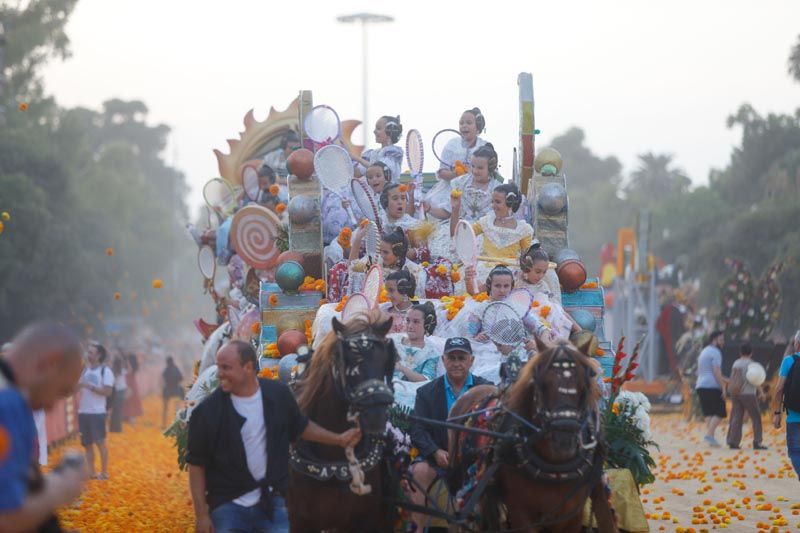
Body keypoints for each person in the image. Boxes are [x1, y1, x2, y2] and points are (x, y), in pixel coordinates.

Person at [187, 341, 362, 533]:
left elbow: (300, 427)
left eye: (226, 367)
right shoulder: (206, 413)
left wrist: (338, 439)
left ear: (248, 367)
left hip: (272, 505)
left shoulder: (277, 395)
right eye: (219, 366)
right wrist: (202, 515)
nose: (219, 373)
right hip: (227, 507)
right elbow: (196, 465)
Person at [0, 321, 87, 532]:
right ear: (49, 363)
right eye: (62, 391)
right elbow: (7, 519)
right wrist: (60, 487)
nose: (50, 407)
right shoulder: (9, 403)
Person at [408, 337, 490, 531]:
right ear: (443, 360)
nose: (456, 363)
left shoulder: (486, 390)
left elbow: (493, 427)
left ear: (471, 360)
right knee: (419, 470)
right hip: (438, 456)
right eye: (451, 358)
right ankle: (418, 529)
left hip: (474, 458)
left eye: (461, 358)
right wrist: (435, 452)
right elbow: (418, 429)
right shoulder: (426, 392)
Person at [454, 182, 534, 288]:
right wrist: (455, 209)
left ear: (510, 203)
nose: (493, 206)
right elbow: (463, 233)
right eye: (492, 201)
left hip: (509, 270)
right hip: (483, 268)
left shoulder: (524, 229)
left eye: (497, 202)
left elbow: (526, 255)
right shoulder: (486, 222)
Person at [389, 302, 446, 410]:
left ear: (426, 325)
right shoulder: (394, 342)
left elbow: (425, 380)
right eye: (408, 321)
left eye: (416, 322)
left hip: (411, 393)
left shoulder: (430, 352)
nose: (410, 326)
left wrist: (402, 368)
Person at [78, 341, 114, 479]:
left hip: (97, 412)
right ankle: (92, 472)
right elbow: (77, 387)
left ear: (99, 355)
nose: (88, 355)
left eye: (91, 353)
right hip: (83, 411)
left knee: (100, 442)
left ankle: (104, 472)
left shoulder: (106, 371)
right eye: (88, 352)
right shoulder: (85, 370)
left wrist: (90, 387)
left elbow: (108, 391)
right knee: (87, 444)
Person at [726, 343, 767, 450]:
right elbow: (756, 380)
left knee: (736, 416)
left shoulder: (736, 363)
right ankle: (757, 442)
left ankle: (732, 441)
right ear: (751, 353)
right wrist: (761, 393)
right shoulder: (751, 364)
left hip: (735, 393)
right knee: (756, 417)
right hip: (748, 393)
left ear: (740, 352)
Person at [772, 330, 800, 479]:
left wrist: (777, 413)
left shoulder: (789, 361)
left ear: (797, 343)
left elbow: (779, 388)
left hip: (794, 416)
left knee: (795, 451)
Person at [695, 330, 728, 447]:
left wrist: (726, 380)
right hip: (711, 386)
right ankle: (709, 435)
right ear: (714, 340)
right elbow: (716, 372)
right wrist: (724, 387)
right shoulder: (715, 352)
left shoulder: (705, 351)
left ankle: (711, 438)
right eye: (721, 340)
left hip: (700, 385)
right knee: (720, 412)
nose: (723, 342)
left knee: (709, 413)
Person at [354, 115, 404, 182]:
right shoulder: (373, 153)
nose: (374, 131)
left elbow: (379, 170)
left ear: (389, 131)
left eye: (378, 128)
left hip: (389, 192)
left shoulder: (393, 153)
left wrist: (356, 158)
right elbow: (357, 173)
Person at [162, 356, 184, 428]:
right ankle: (177, 423)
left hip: (168, 389)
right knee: (177, 408)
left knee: (165, 408)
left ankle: (164, 424)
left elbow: (163, 377)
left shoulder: (166, 369)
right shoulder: (176, 368)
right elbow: (181, 378)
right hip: (176, 389)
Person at [108, 354, 128, 433]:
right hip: (121, 391)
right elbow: (129, 369)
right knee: (119, 410)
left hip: (115, 391)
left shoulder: (113, 370)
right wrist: (125, 362)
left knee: (114, 410)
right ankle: (118, 428)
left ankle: (113, 428)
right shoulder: (122, 370)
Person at [123, 353, 143, 423]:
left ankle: (131, 428)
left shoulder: (129, 369)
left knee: (130, 410)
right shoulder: (133, 367)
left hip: (130, 388)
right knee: (130, 410)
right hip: (131, 387)